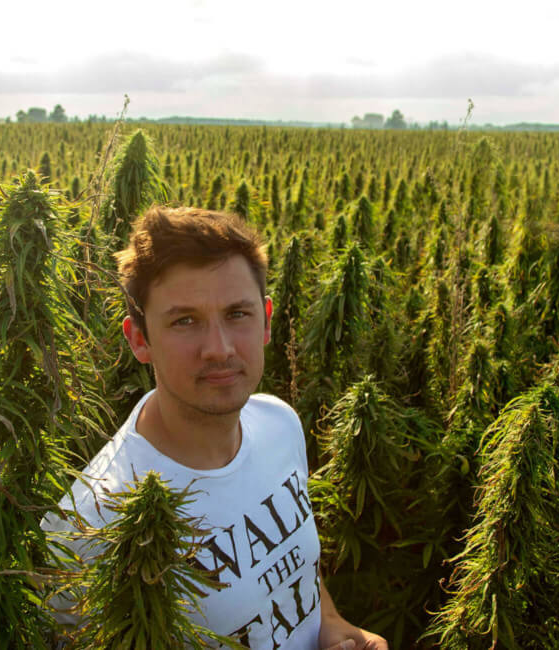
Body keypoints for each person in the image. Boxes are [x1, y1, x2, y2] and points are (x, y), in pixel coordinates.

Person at [43, 206, 388, 650]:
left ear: (266, 320)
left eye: (237, 314)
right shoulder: (89, 524)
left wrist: (336, 627)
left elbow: (290, 572)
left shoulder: (279, 424)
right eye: (185, 321)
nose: (219, 349)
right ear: (139, 339)